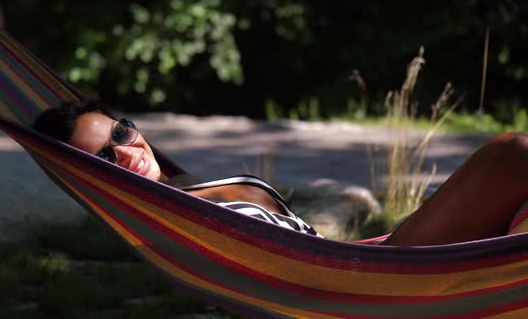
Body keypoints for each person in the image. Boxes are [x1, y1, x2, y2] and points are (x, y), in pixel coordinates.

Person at [34, 100, 528, 246]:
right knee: (514, 153)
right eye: (102, 160)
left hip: (365, 259)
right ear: (90, 179)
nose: (125, 152)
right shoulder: (165, 217)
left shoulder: (180, 188)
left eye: (120, 133)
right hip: (367, 284)